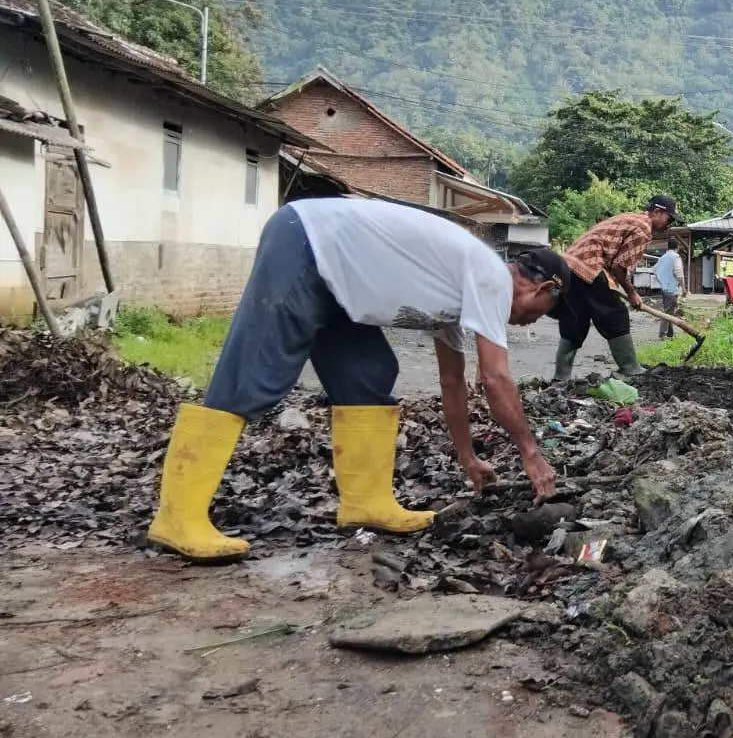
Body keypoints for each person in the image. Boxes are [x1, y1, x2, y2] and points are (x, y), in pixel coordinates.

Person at [146, 197, 570, 563]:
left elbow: (452, 382)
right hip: (307, 243)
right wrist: (531, 454)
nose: (530, 322)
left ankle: (366, 502)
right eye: (541, 313)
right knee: (254, 371)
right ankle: (177, 517)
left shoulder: (461, 293)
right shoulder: (492, 278)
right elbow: (495, 377)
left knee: (368, 373)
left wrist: (467, 457)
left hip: (337, 283)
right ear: (541, 289)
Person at [553, 195, 678, 380]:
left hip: (569, 266)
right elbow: (620, 268)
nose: (669, 225)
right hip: (591, 265)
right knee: (615, 315)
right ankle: (631, 368)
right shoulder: (644, 229)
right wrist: (632, 293)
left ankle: (560, 378)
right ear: (658, 212)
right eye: (669, 219)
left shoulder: (632, 218)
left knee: (575, 320)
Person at [654, 238, 685, 339]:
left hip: (664, 288)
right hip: (672, 289)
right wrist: (684, 289)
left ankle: (670, 334)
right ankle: (662, 334)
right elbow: (679, 274)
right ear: (677, 247)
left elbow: (655, 270)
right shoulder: (676, 257)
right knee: (668, 312)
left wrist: (661, 281)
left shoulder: (663, 257)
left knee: (669, 310)